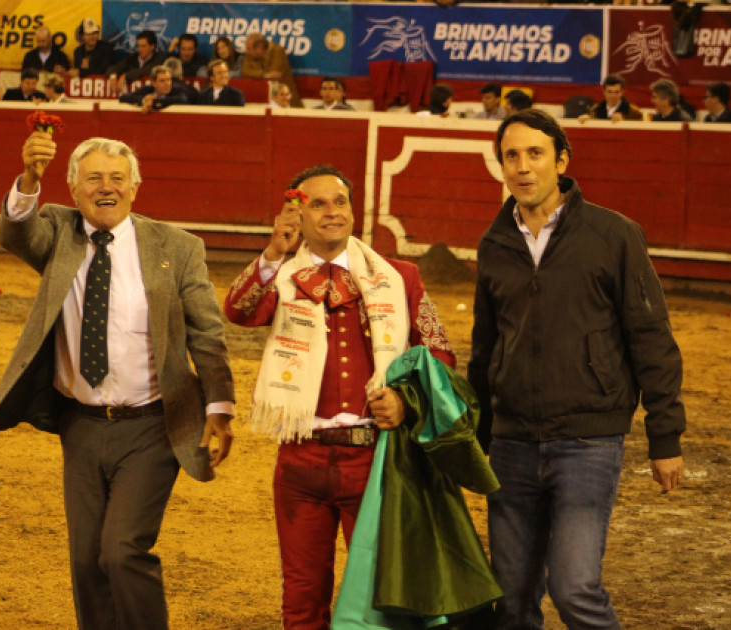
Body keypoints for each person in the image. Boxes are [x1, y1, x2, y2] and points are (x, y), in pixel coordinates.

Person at [0, 133, 236, 630]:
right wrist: (30, 178)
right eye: (93, 178)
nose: (107, 188)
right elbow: (17, 233)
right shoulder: (58, 232)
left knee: (121, 551)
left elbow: (207, 333)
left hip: (152, 425)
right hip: (80, 424)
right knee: (85, 562)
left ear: (135, 188)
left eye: (117, 178)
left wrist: (219, 409)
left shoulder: (177, 247)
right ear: (73, 189)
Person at [468, 109, 686, 629]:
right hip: (512, 442)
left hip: (588, 441)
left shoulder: (613, 235)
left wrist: (665, 437)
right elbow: (485, 347)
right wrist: (477, 440)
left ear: (561, 161)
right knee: (513, 601)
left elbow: (650, 336)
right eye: (511, 156)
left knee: (574, 590)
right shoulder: (494, 244)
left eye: (535, 153)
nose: (523, 166)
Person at [224, 164, 455, 629]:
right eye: (318, 203)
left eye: (340, 201)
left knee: (379, 593)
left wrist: (407, 402)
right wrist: (272, 252)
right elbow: (238, 310)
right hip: (300, 459)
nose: (332, 212)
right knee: (302, 594)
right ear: (298, 214)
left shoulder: (400, 276)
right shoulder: (282, 274)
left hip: (376, 461)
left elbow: (441, 356)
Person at [242, 33, 302, 108]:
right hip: (266, 102)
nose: (247, 52)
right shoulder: (250, 56)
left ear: (259, 48)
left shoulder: (277, 51)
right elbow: (245, 72)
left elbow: (274, 76)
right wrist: (263, 75)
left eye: (249, 49)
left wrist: (258, 73)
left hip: (287, 102)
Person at [106, 30, 164, 95]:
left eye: (143, 46)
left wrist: (126, 76)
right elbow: (114, 68)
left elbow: (147, 70)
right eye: (138, 46)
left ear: (152, 46)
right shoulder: (132, 58)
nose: (139, 49)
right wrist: (113, 76)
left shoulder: (159, 58)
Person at [119, 65, 187, 111]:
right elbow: (123, 97)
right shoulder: (148, 89)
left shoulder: (176, 89)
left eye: (169, 79)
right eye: (162, 81)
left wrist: (154, 102)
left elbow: (182, 99)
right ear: (154, 83)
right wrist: (144, 100)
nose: (167, 83)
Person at [578, 74, 643, 123]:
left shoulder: (635, 113)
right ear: (604, 92)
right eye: (609, 92)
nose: (613, 96)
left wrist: (623, 121)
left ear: (622, 92)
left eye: (616, 92)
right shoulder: (595, 111)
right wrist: (587, 120)